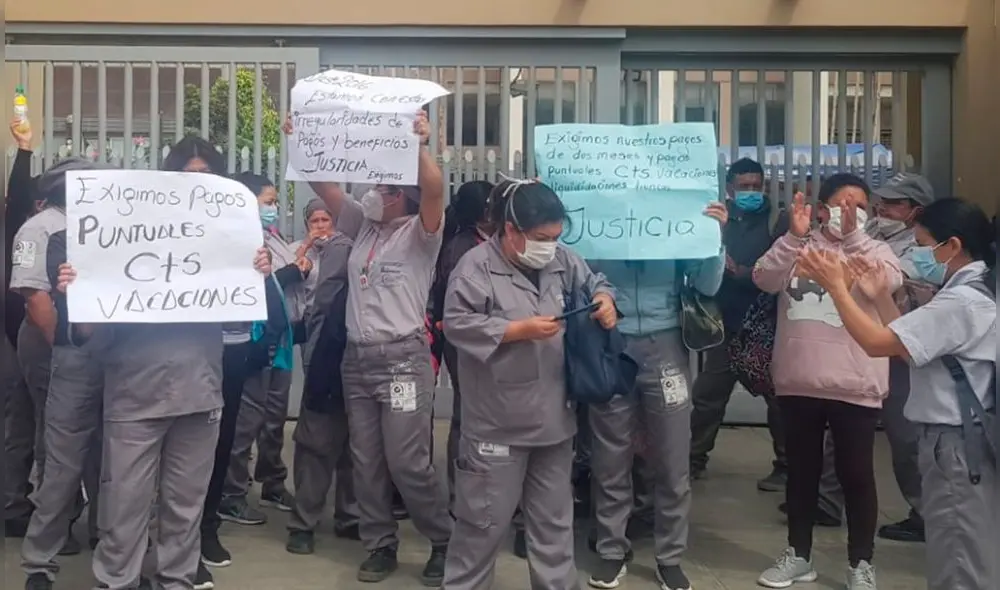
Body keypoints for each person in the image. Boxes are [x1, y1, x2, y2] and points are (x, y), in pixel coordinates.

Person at [287, 110, 453, 586]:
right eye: (377, 185)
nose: (376, 193)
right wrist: (303, 140)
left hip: (402, 360)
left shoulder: (423, 233)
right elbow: (326, 188)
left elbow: (436, 187)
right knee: (365, 460)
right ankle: (380, 544)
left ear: (406, 197)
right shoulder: (362, 225)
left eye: (388, 188)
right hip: (356, 360)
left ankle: (442, 539)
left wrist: (419, 144)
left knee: (406, 461)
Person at [796, 196, 995, 590]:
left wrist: (836, 287)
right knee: (963, 549)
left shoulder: (962, 303)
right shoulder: (973, 290)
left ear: (951, 246)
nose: (917, 255)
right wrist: (881, 297)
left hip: (956, 445)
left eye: (922, 246)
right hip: (958, 440)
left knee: (958, 559)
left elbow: (876, 343)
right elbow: (909, 346)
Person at [441, 178, 617, 589]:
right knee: (480, 529)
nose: (549, 245)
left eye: (556, 237)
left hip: (555, 423)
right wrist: (515, 329)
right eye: (541, 237)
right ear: (511, 230)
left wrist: (606, 302)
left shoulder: (563, 261)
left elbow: (597, 283)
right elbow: (457, 324)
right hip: (496, 426)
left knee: (554, 531)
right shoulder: (475, 267)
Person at [753, 174, 903, 589]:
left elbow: (888, 283)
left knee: (857, 476)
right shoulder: (798, 247)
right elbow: (763, 278)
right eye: (842, 204)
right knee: (801, 474)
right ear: (822, 209)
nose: (850, 213)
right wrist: (792, 238)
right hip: (799, 379)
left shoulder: (877, 250)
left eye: (859, 205)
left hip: (855, 383)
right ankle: (798, 555)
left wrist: (853, 241)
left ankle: (861, 563)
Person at [585, 193, 729, 590]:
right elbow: (578, 273)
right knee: (610, 454)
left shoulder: (671, 219)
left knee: (671, 457)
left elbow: (707, 284)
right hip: (610, 345)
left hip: (666, 346)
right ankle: (612, 551)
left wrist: (713, 238)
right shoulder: (600, 218)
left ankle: (670, 557)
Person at [21, 162, 105, 590]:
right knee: (61, 462)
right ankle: (40, 561)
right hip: (69, 356)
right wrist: (68, 344)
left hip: (120, 361)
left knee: (112, 461)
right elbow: (37, 298)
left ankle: (109, 544)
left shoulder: (114, 227)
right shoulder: (44, 230)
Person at [689, 158, 790, 490]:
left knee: (778, 402)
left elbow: (783, 268)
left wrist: (741, 272)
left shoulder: (779, 220)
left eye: (756, 186)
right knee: (707, 397)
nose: (751, 192)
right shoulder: (719, 220)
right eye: (744, 186)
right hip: (724, 324)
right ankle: (693, 459)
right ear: (729, 189)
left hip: (764, 327)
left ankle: (786, 466)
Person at [219, 172, 307, 525]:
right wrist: (293, 272)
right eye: (268, 202)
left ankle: (272, 481)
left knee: (274, 420)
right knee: (244, 424)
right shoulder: (233, 242)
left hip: (280, 343)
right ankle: (231, 493)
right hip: (254, 345)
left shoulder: (272, 237)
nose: (273, 209)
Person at [866, 172, 937, 543]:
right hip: (861, 344)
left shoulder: (926, 249)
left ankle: (926, 513)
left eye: (894, 203)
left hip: (900, 351)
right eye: (882, 200)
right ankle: (826, 503)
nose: (883, 207)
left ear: (914, 211)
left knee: (906, 437)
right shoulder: (871, 234)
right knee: (839, 432)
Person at [8, 157, 75, 550]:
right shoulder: (34, 231)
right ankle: (55, 524)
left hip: (86, 343)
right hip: (48, 341)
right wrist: (62, 348)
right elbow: (35, 299)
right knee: (54, 434)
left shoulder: (96, 226)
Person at [286, 198, 359, 554]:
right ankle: (304, 522)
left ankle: (350, 515)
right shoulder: (340, 248)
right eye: (314, 218)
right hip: (327, 358)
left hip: (365, 360)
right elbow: (322, 306)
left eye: (326, 217)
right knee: (316, 443)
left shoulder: (388, 242)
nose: (321, 224)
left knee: (359, 443)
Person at [428, 179, 495, 501]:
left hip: (493, 338)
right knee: (467, 415)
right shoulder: (461, 249)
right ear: (482, 213)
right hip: (466, 342)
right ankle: (462, 494)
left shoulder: (492, 241)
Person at [4, 118, 43, 538]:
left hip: (27, 339)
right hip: (12, 342)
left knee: (25, 427)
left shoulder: (19, 229)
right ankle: (13, 505)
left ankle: (17, 504)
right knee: (17, 427)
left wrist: (25, 149)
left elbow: (18, 195)